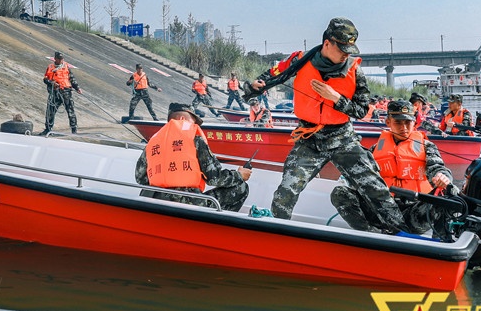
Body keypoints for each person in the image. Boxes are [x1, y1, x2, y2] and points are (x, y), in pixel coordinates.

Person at [246, 17, 405, 229]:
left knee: (375, 188)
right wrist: (256, 86)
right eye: (342, 49)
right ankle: (278, 234)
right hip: (309, 139)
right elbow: (273, 75)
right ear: (327, 43)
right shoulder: (300, 60)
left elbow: (361, 110)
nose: (346, 55)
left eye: (349, 50)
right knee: (286, 192)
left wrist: (336, 98)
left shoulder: (355, 71)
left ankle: (402, 234)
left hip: (343, 139)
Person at [331, 100, 452, 235]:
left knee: (445, 196)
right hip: (382, 210)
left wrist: (442, 176)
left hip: (412, 213)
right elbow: (361, 177)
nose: (404, 127)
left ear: (414, 123)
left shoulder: (427, 146)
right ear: (388, 123)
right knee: (340, 193)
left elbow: (437, 167)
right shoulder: (375, 149)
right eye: (398, 123)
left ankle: (439, 244)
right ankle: (371, 234)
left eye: (408, 123)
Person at [135, 102, 251, 211]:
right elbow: (213, 178)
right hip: (187, 201)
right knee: (241, 187)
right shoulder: (194, 139)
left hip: (153, 200)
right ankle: (211, 227)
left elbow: (140, 178)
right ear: (182, 119)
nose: (195, 125)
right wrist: (239, 175)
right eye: (193, 121)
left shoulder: (153, 142)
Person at [41, 51, 81, 135]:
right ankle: (48, 129)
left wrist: (77, 88)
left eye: (62, 59)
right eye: (59, 59)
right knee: (50, 111)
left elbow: (72, 78)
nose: (61, 60)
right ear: (55, 59)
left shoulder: (66, 67)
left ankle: (74, 130)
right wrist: (52, 83)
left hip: (66, 92)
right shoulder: (50, 67)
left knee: (70, 111)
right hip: (55, 92)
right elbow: (45, 79)